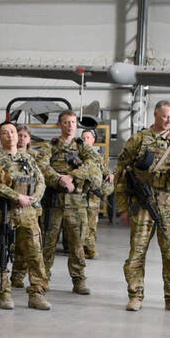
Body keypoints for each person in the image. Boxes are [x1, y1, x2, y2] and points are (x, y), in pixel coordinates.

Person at [115, 99, 170, 312]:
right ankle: (135, 295)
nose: (168, 120)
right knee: (137, 253)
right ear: (155, 115)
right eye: (165, 116)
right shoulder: (139, 140)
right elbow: (121, 173)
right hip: (143, 205)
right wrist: (123, 208)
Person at [41, 110, 101, 297]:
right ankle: (42, 280)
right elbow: (42, 166)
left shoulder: (82, 147)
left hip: (76, 204)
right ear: (60, 125)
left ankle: (79, 280)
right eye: (66, 122)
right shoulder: (50, 146)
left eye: (73, 122)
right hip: (53, 204)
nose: (70, 126)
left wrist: (72, 176)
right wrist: (58, 180)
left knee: (77, 245)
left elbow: (93, 164)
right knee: (47, 245)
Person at [0, 121, 47, 310]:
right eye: (5, 133)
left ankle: (37, 293)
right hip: (4, 213)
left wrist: (33, 198)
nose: (11, 136)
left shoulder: (29, 159)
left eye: (13, 132)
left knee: (35, 254)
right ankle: (4, 293)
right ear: (0, 138)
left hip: (28, 213)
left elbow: (41, 181)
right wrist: (17, 196)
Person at [79, 127, 112, 260]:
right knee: (80, 223)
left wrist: (109, 175)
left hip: (93, 197)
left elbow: (104, 171)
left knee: (92, 223)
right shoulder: (77, 155)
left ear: (93, 140)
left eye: (88, 138)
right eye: (83, 138)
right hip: (80, 195)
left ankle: (90, 248)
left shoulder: (98, 157)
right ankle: (79, 248)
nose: (85, 140)